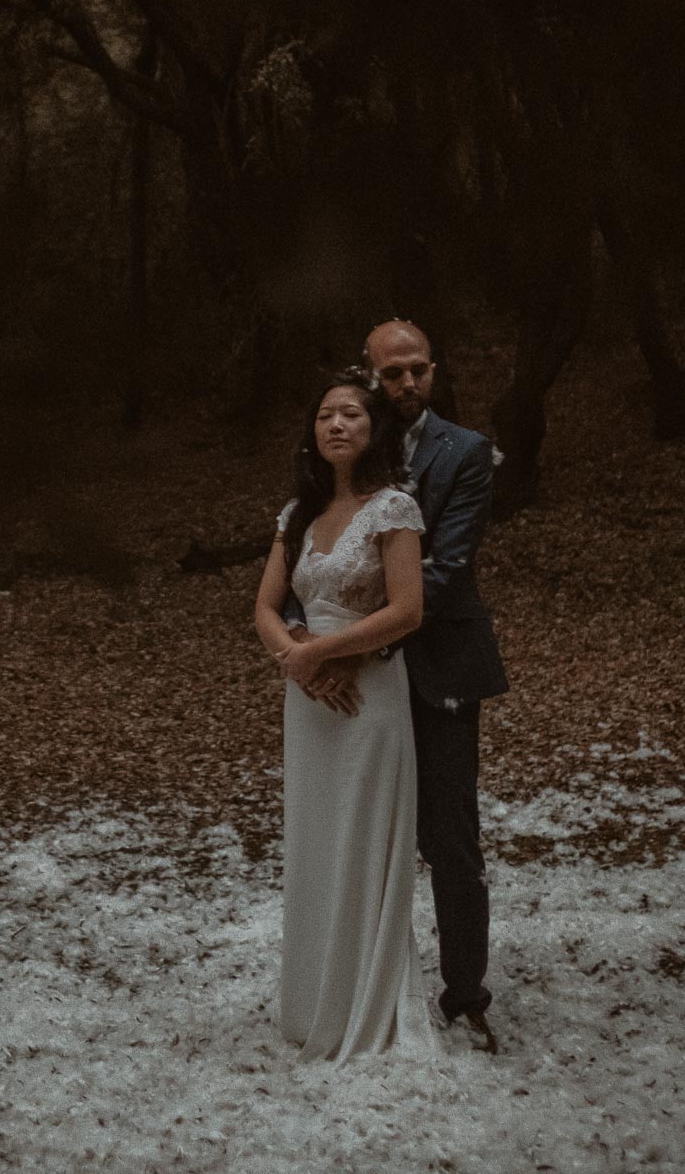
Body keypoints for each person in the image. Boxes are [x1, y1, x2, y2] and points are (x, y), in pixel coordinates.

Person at [296, 319, 509, 1054]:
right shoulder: (354, 444)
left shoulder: (467, 452)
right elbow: (314, 544)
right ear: (371, 374)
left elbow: (441, 571)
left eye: (418, 369)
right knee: (356, 833)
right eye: (392, 374)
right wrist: (305, 635)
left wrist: (352, 648)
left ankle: (465, 994)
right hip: (355, 679)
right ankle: (362, 986)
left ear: (434, 369)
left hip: (438, 663)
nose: (407, 383)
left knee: (449, 837)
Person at [254, 371, 441, 1061]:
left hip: (370, 694)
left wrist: (326, 653)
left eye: (353, 416)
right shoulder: (295, 514)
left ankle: (367, 1000)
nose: (337, 425)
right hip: (309, 702)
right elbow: (266, 607)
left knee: (364, 838)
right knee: (315, 839)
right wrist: (298, 664)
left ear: (375, 429)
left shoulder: (393, 508)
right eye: (326, 415)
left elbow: (408, 610)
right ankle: (312, 1001)